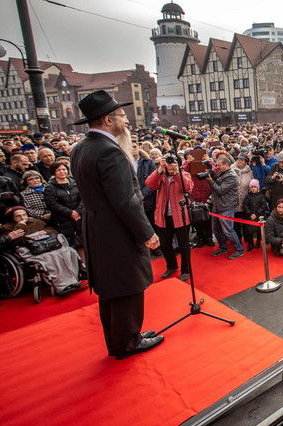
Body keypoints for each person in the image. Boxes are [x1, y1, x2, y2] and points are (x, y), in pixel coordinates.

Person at [70, 90, 163, 359]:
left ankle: (120, 338)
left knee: (110, 288)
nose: (127, 121)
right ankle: (128, 342)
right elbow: (126, 201)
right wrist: (147, 232)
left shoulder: (81, 148)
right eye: (122, 116)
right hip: (116, 230)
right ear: (108, 120)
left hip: (97, 227)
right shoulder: (110, 152)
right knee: (127, 284)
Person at [0, 206, 82, 295]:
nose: (23, 218)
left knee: (69, 252)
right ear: (12, 217)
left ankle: (73, 280)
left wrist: (45, 232)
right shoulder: (7, 227)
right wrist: (21, 225)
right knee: (52, 257)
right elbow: (14, 242)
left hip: (47, 246)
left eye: (24, 215)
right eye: (18, 216)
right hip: (31, 251)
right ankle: (61, 285)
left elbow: (53, 230)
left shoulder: (36, 221)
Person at [145, 156, 194, 280]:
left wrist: (177, 173)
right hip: (163, 216)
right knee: (165, 245)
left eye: (173, 163)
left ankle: (185, 270)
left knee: (183, 245)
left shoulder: (184, 174)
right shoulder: (161, 175)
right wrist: (160, 169)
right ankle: (171, 266)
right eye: (168, 163)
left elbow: (187, 187)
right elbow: (149, 184)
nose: (170, 166)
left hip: (181, 216)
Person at [208, 155, 245, 259]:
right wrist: (212, 175)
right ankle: (223, 248)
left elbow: (220, 190)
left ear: (226, 165)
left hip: (226, 206)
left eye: (219, 165)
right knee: (215, 229)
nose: (217, 167)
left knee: (228, 230)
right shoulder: (222, 173)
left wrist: (210, 180)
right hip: (217, 205)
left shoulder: (232, 176)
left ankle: (239, 249)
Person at [44, 162, 83, 249]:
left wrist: (78, 211)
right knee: (69, 244)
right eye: (58, 170)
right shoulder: (50, 187)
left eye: (64, 169)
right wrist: (70, 213)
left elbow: (83, 198)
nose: (62, 172)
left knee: (82, 242)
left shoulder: (75, 183)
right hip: (62, 219)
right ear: (54, 172)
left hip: (79, 216)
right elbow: (52, 204)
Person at [242, 179, 269, 250]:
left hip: (259, 216)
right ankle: (250, 243)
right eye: (252, 187)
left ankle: (258, 242)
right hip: (250, 217)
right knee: (249, 231)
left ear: (258, 188)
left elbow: (263, 206)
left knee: (259, 231)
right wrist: (250, 213)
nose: (253, 189)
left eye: (255, 187)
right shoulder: (247, 196)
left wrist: (256, 214)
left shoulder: (261, 196)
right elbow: (245, 205)